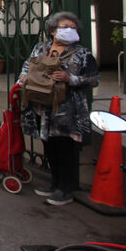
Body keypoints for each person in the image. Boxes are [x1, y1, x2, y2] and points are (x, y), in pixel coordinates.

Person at [18, 11, 99, 206]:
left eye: (73, 27)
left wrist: (69, 79)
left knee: (65, 148)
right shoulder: (40, 48)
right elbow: (27, 67)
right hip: (41, 106)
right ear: (53, 31)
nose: (71, 30)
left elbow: (94, 80)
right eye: (65, 27)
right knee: (49, 145)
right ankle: (54, 182)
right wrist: (22, 79)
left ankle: (66, 188)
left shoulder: (82, 53)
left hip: (67, 110)